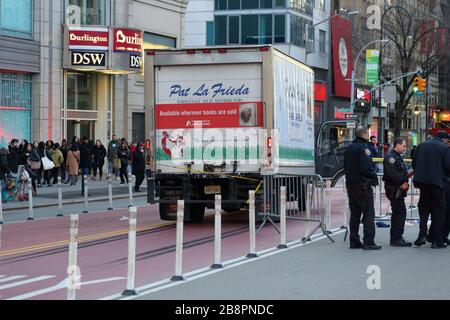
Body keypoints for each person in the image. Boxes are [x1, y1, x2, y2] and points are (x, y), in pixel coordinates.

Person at [344, 127, 381, 250]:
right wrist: (374, 176)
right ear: (365, 135)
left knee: (355, 214)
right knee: (368, 213)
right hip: (362, 185)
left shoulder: (349, 148)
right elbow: (366, 167)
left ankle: (354, 241)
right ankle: (368, 241)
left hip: (351, 185)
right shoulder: (363, 148)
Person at [412, 131, 450, 248]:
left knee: (423, 210)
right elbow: (448, 166)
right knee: (439, 211)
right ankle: (437, 240)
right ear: (444, 139)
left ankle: (422, 235)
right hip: (438, 183)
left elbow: (414, 163)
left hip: (422, 183)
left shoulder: (421, 145)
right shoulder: (445, 148)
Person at [383, 138, 412, 247]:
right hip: (394, 189)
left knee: (398, 212)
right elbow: (392, 174)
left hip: (397, 188)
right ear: (397, 145)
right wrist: (402, 182)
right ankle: (396, 238)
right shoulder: (391, 157)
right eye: (404, 146)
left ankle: (397, 236)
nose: (405, 148)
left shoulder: (396, 156)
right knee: (399, 213)